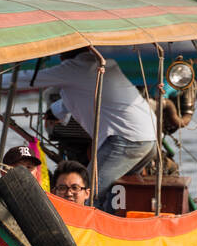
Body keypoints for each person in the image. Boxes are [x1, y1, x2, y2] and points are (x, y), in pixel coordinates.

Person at [21, 47, 157, 212]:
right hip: (149, 139)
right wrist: (55, 111)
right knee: (118, 186)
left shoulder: (77, 67)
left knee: (89, 191)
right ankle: (117, 216)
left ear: (64, 54)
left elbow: (29, 78)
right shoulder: (100, 66)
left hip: (126, 140)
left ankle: (91, 230)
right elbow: (77, 95)